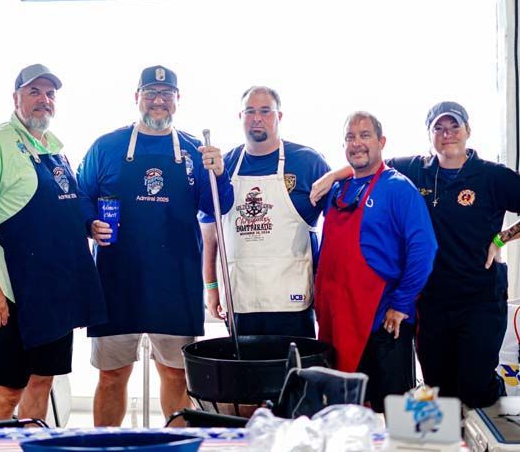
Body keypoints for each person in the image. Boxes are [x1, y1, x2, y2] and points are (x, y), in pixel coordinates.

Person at [311, 101, 520, 408]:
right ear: (429, 134)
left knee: (474, 386)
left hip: (478, 297)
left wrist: (502, 238)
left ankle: (488, 435)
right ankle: (447, 441)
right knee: (438, 391)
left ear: (468, 131)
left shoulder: (492, 176)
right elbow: (370, 161)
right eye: (439, 128)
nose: (447, 134)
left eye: (454, 126)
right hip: (432, 302)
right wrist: (332, 177)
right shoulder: (416, 169)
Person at [77, 65, 232, 427]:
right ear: (137, 98)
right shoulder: (107, 146)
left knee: (176, 376)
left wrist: (219, 173)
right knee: (112, 376)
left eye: (166, 94)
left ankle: (175, 447)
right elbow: (82, 195)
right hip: (117, 282)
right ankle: (106, 449)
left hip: (174, 284)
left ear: (178, 100)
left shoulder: (196, 150)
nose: (158, 101)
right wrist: (89, 223)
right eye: (150, 93)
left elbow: (216, 208)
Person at [0, 64, 107, 423]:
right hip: (13, 293)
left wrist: (88, 226)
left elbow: (58, 212)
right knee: (7, 389)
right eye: (34, 92)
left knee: (43, 382)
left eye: (50, 94)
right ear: (16, 98)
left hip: (56, 290)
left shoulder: (55, 149)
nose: (44, 100)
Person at [315, 111, 437, 412]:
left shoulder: (398, 187)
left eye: (365, 135)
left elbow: (425, 249)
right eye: (350, 137)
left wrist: (401, 303)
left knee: (405, 419)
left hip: (383, 324)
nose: (357, 143)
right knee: (347, 414)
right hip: (339, 324)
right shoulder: (337, 191)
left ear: (381, 141)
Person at [199, 86, 331, 338]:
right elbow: (210, 236)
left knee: (293, 376)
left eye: (265, 111)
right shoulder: (223, 166)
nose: (257, 118)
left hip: (293, 301)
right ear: (240, 117)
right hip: (240, 299)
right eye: (250, 111)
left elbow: (338, 224)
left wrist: (327, 287)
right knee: (244, 376)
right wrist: (212, 288)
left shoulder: (308, 162)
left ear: (278, 116)